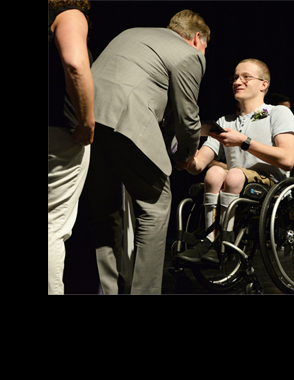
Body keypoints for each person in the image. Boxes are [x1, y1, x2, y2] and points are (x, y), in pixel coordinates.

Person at [85, 9, 210, 294]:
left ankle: (110, 289)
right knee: (156, 206)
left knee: (104, 215)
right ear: (197, 37)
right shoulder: (189, 54)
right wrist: (184, 156)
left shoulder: (132, 33)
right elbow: (188, 120)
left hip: (88, 121)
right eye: (205, 48)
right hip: (126, 120)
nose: (205, 54)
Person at [177, 58, 294, 264]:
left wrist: (244, 141)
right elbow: (199, 165)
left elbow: (287, 160)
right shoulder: (225, 122)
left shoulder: (277, 113)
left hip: (269, 184)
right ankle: (210, 239)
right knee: (214, 173)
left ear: (263, 84)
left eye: (245, 77)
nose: (237, 81)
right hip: (235, 184)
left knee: (233, 174)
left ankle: (225, 241)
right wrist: (187, 159)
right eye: (235, 77)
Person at [48, 0, 95, 295]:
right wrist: (87, 122)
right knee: (53, 225)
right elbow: (75, 65)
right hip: (60, 133)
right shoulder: (69, 15)